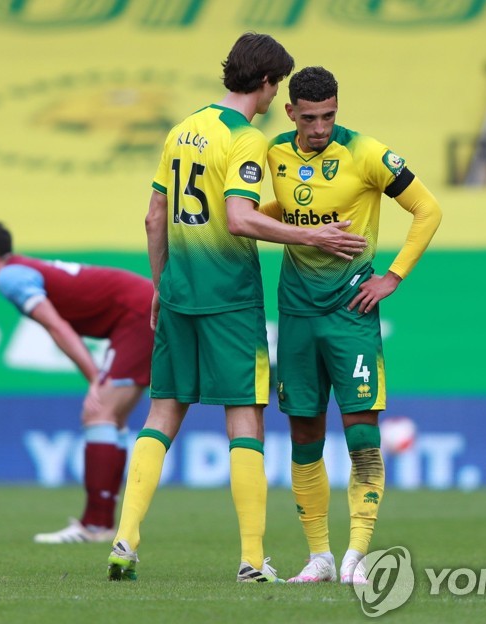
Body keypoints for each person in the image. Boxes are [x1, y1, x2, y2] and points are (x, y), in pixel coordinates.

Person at [106, 34, 368, 583]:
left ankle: (125, 540)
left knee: (160, 417)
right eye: (278, 88)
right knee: (244, 421)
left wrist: (161, 283)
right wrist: (315, 236)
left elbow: (155, 217)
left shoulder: (182, 129)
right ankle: (252, 559)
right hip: (229, 298)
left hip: (178, 294)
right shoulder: (245, 138)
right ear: (269, 83)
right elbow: (240, 218)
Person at [259, 66, 442, 584]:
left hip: (352, 314)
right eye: (310, 117)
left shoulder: (366, 154)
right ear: (291, 112)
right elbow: (283, 213)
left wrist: (393, 277)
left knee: (362, 437)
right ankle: (318, 557)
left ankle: (355, 557)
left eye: (330, 116)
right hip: (295, 313)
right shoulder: (274, 154)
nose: (320, 127)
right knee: (303, 435)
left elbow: (427, 209)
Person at [0, 221, 154, 543]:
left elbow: (58, 327)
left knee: (98, 414)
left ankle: (95, 525)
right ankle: (100, 523)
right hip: (138, 310)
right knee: (110, 419)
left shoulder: (9, 277)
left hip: (137, 315)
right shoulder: (23, 269)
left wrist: (93, 377)